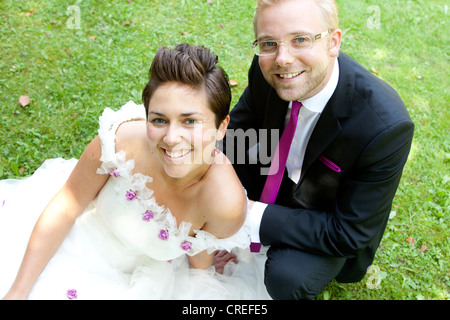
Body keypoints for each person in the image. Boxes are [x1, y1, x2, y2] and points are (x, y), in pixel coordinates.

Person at [0, 43, 270, 300]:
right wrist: (18, 291)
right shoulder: (121, 140)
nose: (172, 138)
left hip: (142, 279)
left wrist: (205, 266)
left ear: (222, 127)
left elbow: (199, 261)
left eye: (190, 121)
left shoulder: (225, 203)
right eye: (159, 120)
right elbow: (67, 204)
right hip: (72, 238)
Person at [223, 0, 414, 299]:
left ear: (333, 42)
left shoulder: (384, 127)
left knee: (288, 278)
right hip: (272, 174)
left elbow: (348, 232)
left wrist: (246, 216)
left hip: (324, 215)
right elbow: (235, 139)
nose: (282, 59)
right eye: (269, 43)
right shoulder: (266, 70)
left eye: (300, 39)